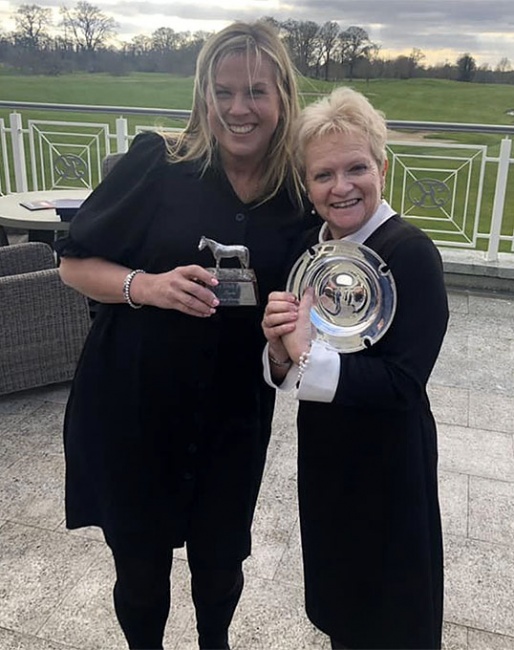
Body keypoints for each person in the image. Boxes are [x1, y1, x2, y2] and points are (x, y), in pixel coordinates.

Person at [55, 21, 309, 650]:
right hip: (135, 404)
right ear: (202, 95)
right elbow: (73, 263)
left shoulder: (298, 194)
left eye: (256, 91)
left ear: (282, 98)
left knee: (220, 568)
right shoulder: (158, 163)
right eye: (223, 92)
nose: (238, 108)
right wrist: (147, 285)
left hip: (233, 413)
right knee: (141, 573)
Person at [262, 87, 449, 650]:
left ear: (382, 169)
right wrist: (278, 350)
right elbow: (290, 360)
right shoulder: (309, 250)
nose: (340, 187)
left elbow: (403, 383)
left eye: (356, 168)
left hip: (390, 459)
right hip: (325, 448)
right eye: (323, 175)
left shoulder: (412, 254)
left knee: (391, 609)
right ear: (307, 185)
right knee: (341, 598)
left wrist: (306, 355)